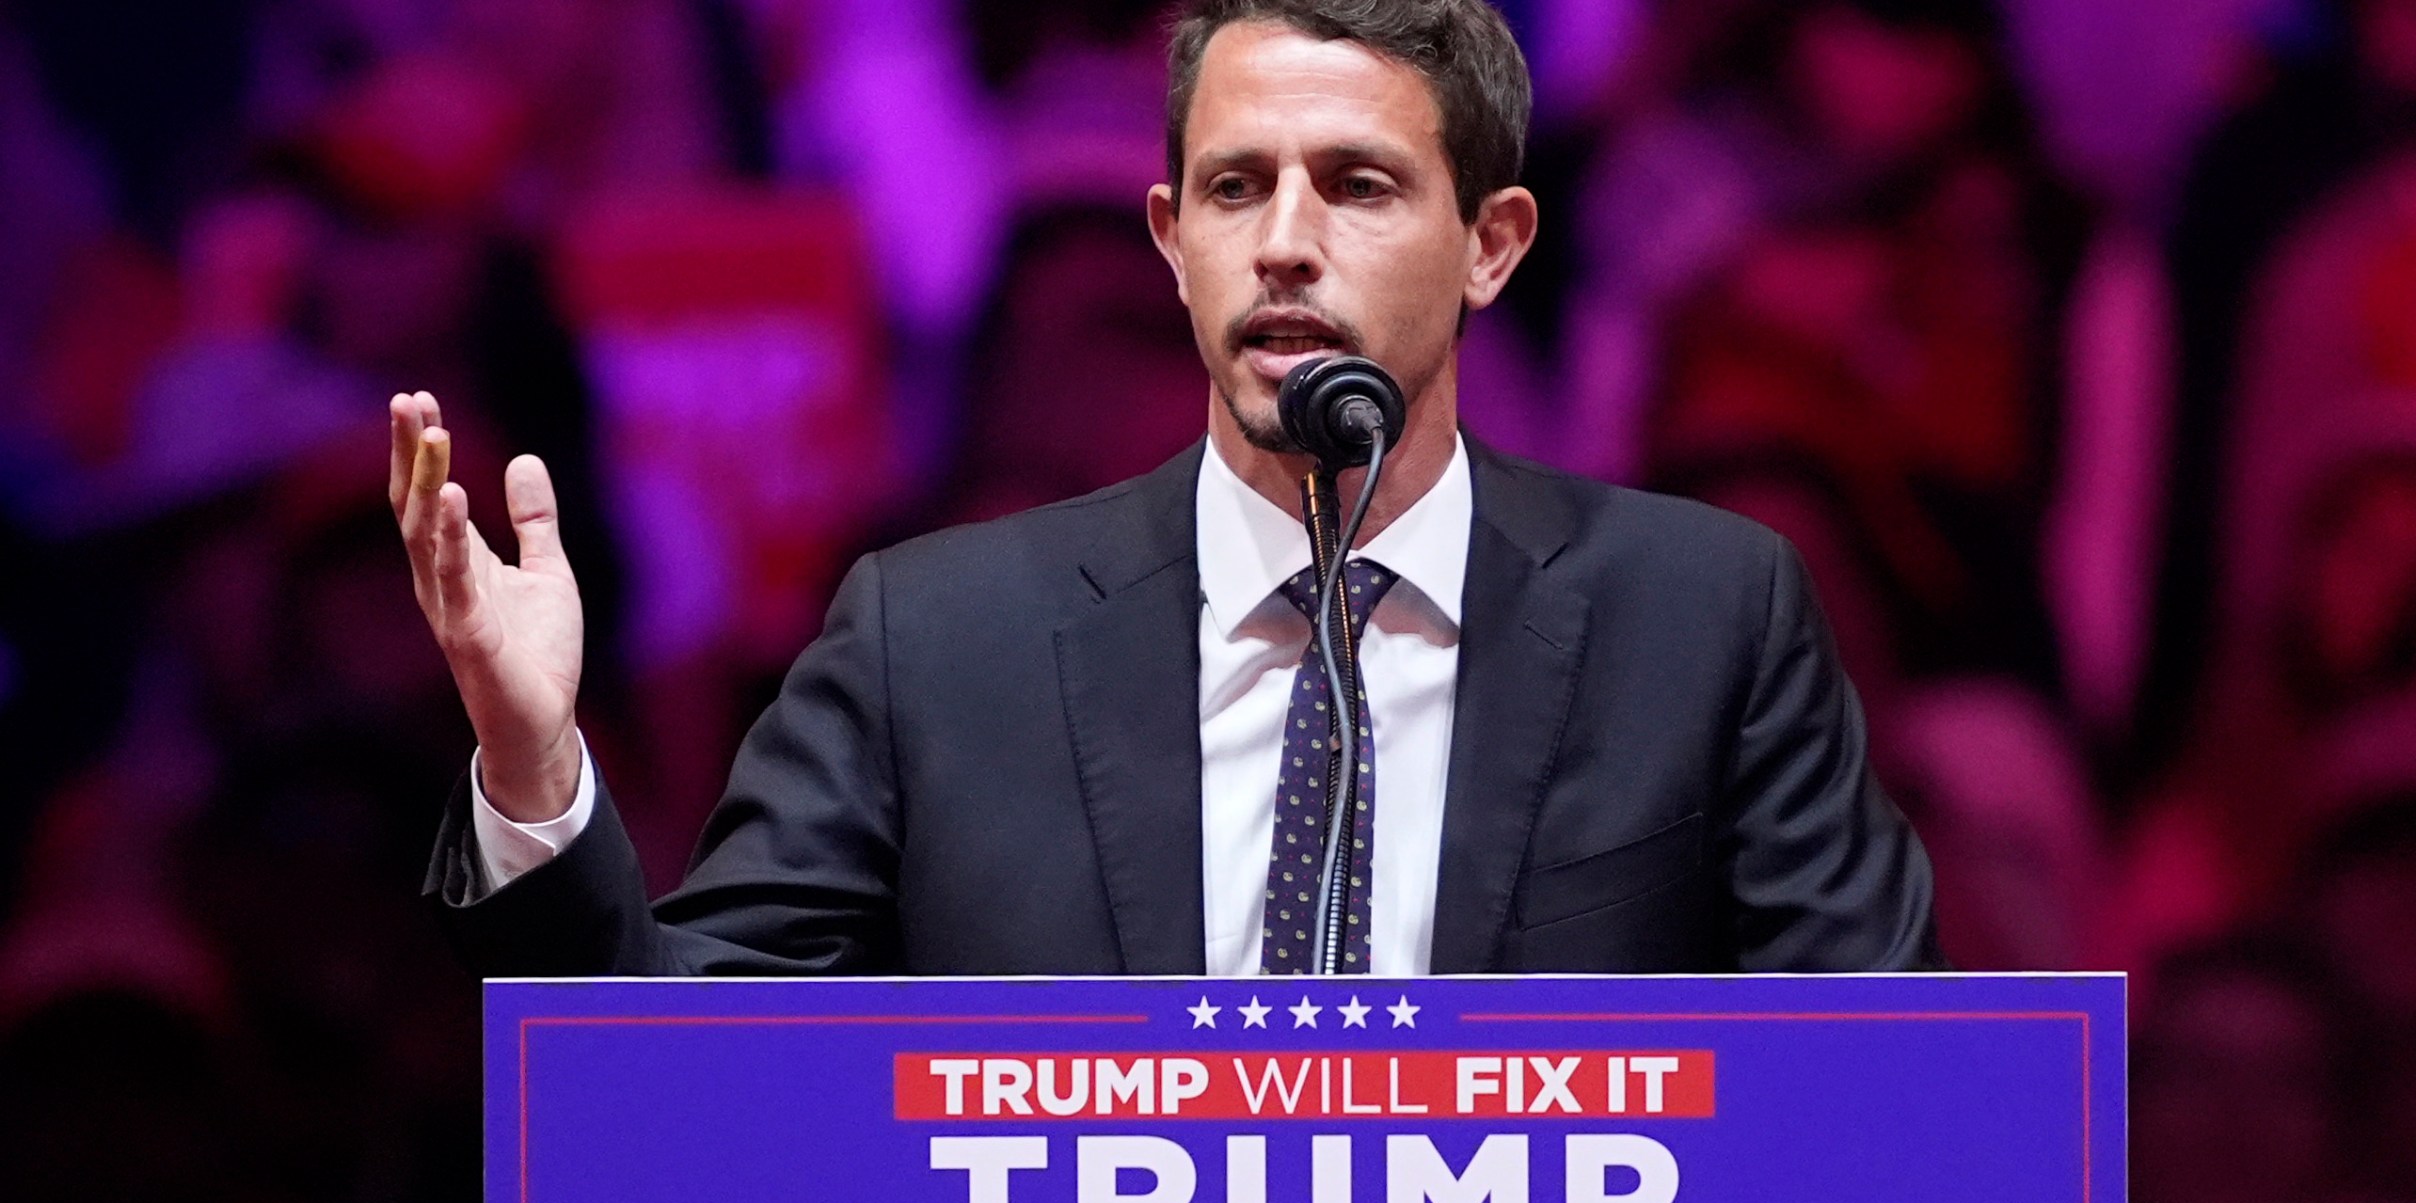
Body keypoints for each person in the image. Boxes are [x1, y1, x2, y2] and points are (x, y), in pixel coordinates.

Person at [389, 0, 1941, 978]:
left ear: (1493, 244)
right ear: (1171, 241)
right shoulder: (936, 641)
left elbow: (1890, 1112)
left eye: (1359, 186)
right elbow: (687, 1082)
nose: (1286, 245)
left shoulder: (1705, 622)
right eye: (1234, 190)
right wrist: (534, 770)